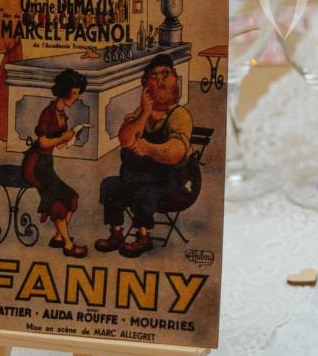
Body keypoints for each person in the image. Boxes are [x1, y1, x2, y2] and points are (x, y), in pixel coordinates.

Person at [95, 54, 192, 258]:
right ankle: (116, 233)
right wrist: (144, 113)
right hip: (133, 177)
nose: (160, 80)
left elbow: (176, 150)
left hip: (165, 180)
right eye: (154, 75)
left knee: (143, 193)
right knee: (110, 185)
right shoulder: (140, 113)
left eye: (166, 74)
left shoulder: (179, 115)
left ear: (175, 78)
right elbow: (126, 139)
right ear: (144, 84)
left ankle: (143, 237)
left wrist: (148, 148)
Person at [24, 68, 88, 258]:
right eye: (74, 92)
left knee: (72, 198)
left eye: (78, 93)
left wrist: (71, 137)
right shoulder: (48, 113)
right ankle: (68, 245)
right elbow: (43, 142)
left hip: (47, 162)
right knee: (58, 205)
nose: (76, 97)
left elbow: (58, 145)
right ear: (65, 90)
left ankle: (59, 236)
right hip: (35, 165)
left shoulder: (62, 115)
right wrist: (63, 138)